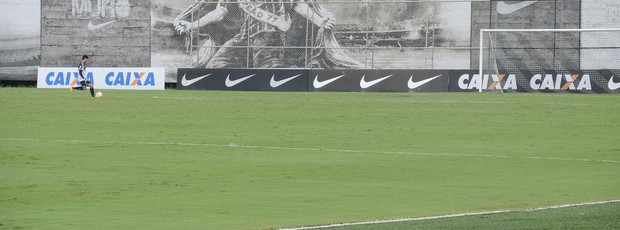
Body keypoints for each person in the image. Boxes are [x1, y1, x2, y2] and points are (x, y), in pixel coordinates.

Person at [174, 0, 362, 69]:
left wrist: (320, 20)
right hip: (244, 37)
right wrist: (192, 25)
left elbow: (298, 4)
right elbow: (220, 11)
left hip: (270, 36)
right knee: (216, 67)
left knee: (270, 69)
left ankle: (301, 74)